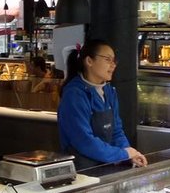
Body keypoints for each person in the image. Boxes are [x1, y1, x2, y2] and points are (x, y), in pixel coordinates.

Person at [58, 39, 146, 170]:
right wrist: (122, 154)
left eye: (114, 60)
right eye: (108, 59)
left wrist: (129, 153)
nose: (113, 65)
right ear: (89, 61)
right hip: (82, 170)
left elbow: (116, 131)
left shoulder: (109, 91)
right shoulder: (74, 94)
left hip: (106, 165)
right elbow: (84, 141)